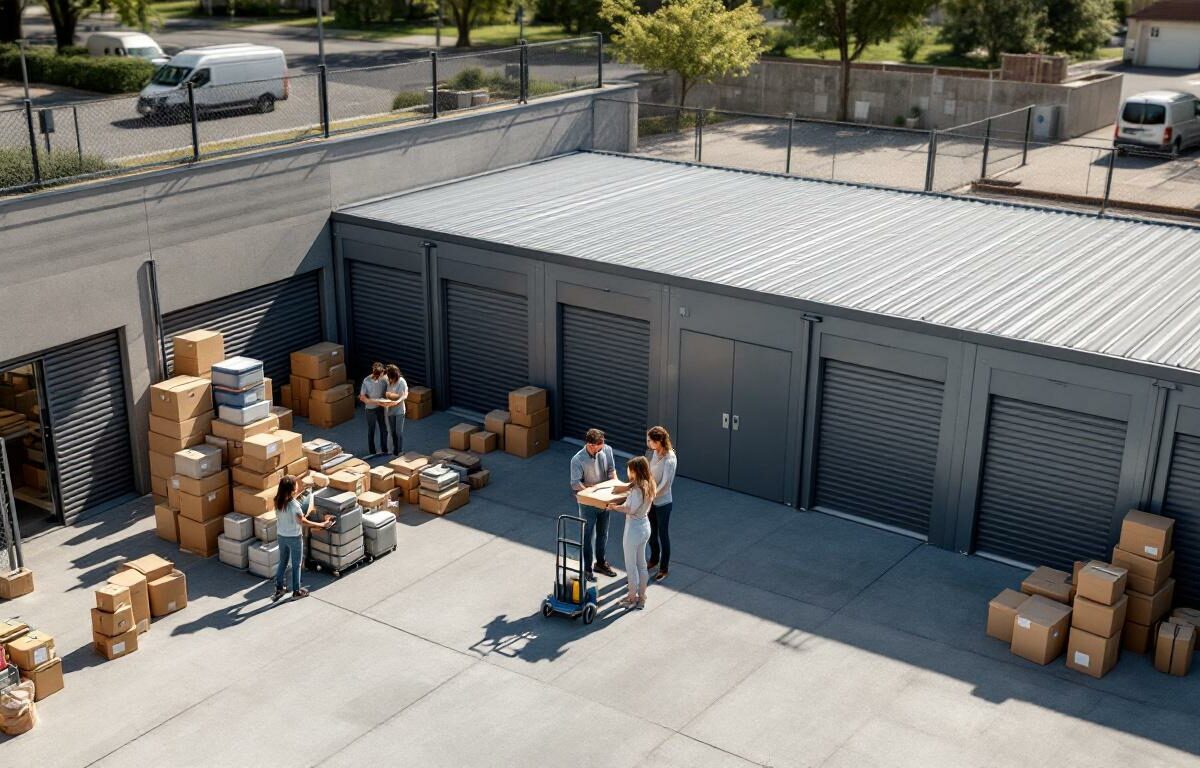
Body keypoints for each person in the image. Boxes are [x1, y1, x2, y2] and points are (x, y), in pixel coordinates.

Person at [606, 456, 656, 610]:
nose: (627, 471)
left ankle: (631, 597)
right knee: (641, 564)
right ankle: (642, 597)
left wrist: (613, 507)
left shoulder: (637, 490)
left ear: (635, 470)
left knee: (631, 566)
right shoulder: (649, 484)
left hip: (633, 529)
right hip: (645, 526)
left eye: (629, 469)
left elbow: (630, 509)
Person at [272, 475, 333, 601]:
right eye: (295, 484)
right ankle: (296, 590)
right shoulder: (294, 505)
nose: (297, 485)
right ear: (292, 489)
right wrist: (322, 524)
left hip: (281, 536)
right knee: (296, 564)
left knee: (283, 561)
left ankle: (279, 588)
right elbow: (302, 522)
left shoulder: (277, 500)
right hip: (294, 537)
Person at [569, 428, 618, 581]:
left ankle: (601, 563)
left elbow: (611, 471)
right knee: (587, 536)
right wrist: (591, 493)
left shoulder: (607, 450)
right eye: (599, 444)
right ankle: (587, 569)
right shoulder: (577, 460)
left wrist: (615, 484)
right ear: (590, 445)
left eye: (603, 443)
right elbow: (575, 484)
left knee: (603, 533)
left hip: (604, 501)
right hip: (588, 505)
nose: (602, 446)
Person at [645, 425, 678, 582]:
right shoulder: (654, 453)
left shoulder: (670, 458)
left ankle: (663, 568)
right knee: (652, 532)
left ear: (658, 441)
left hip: (663, 503)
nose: (648, 443)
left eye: (650, 440)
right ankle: (654, 559)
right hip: (651, 499)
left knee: (663, 534)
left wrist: (652, 494)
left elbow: (666, 484)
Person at [358, 362, 388, 456]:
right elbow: (362, 397)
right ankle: (372, 451)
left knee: (384, 429)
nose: (379, 377)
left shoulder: (384, 379)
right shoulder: (366, 381)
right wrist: (374, 401)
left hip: (380, 408)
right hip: (370, 409)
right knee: (372, 430)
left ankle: (385, 449)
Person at [381, 364, 408, 457]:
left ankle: (399, 450)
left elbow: (404, 395)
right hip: (390, 410)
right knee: (392, 431)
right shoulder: (388, 381)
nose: (390, 380)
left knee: (398, 432)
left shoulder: (401, 382)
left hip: (399, 411)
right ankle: (393, 449)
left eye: (391, 378)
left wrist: (397, 401)